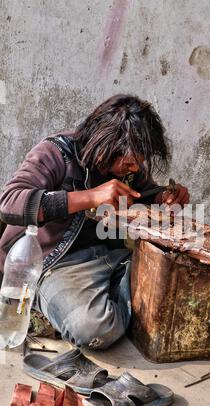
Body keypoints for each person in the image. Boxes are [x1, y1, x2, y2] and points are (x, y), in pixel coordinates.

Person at [0, 94, 189, 349]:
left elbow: (145, 197)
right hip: (57, 265)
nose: (134, 169)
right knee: (93, 328)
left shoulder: (127, 168)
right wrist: (89, 197)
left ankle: (107, 302)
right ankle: (63, 305)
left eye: (138, 164)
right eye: (130, 162)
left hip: (115, 259)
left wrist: (167, 197)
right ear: (108, 142)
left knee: (178, 286)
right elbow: (10, 202)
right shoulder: (57, 152)